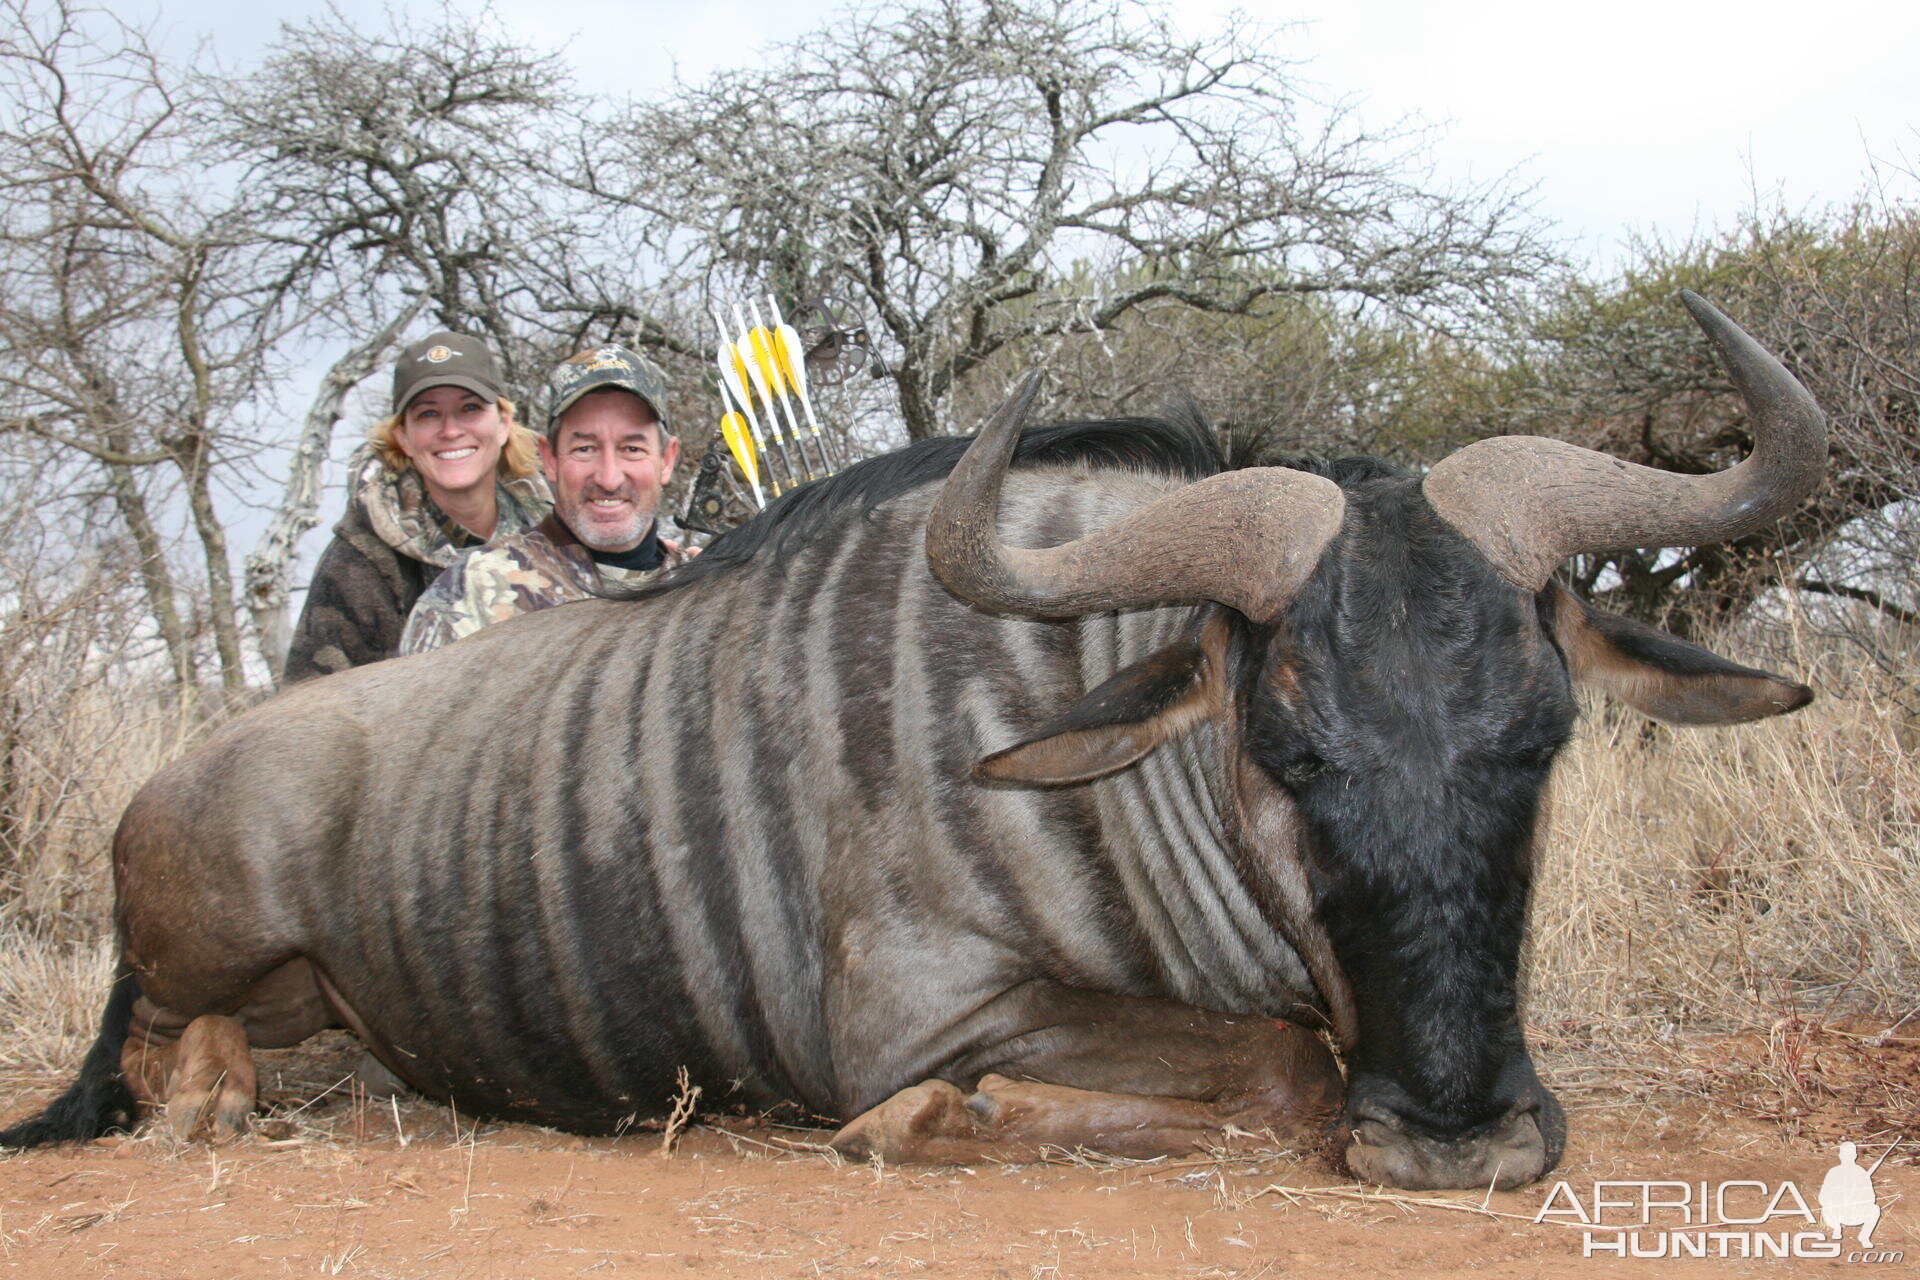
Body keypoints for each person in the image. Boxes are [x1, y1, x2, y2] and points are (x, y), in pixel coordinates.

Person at [283, 332, 553, 683]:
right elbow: (310, 708)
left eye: (470, 408)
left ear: (503, 423)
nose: (450, 430)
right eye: (428, 414)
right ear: (404, 437)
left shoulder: (560, 536)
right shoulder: (361, 559)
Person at [399, 344, 691, 654]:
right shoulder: (470, 594)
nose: (609, 478)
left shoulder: (705, 590)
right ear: (549, 459)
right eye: (585, 449)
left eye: (632, 449)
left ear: (667, 460)